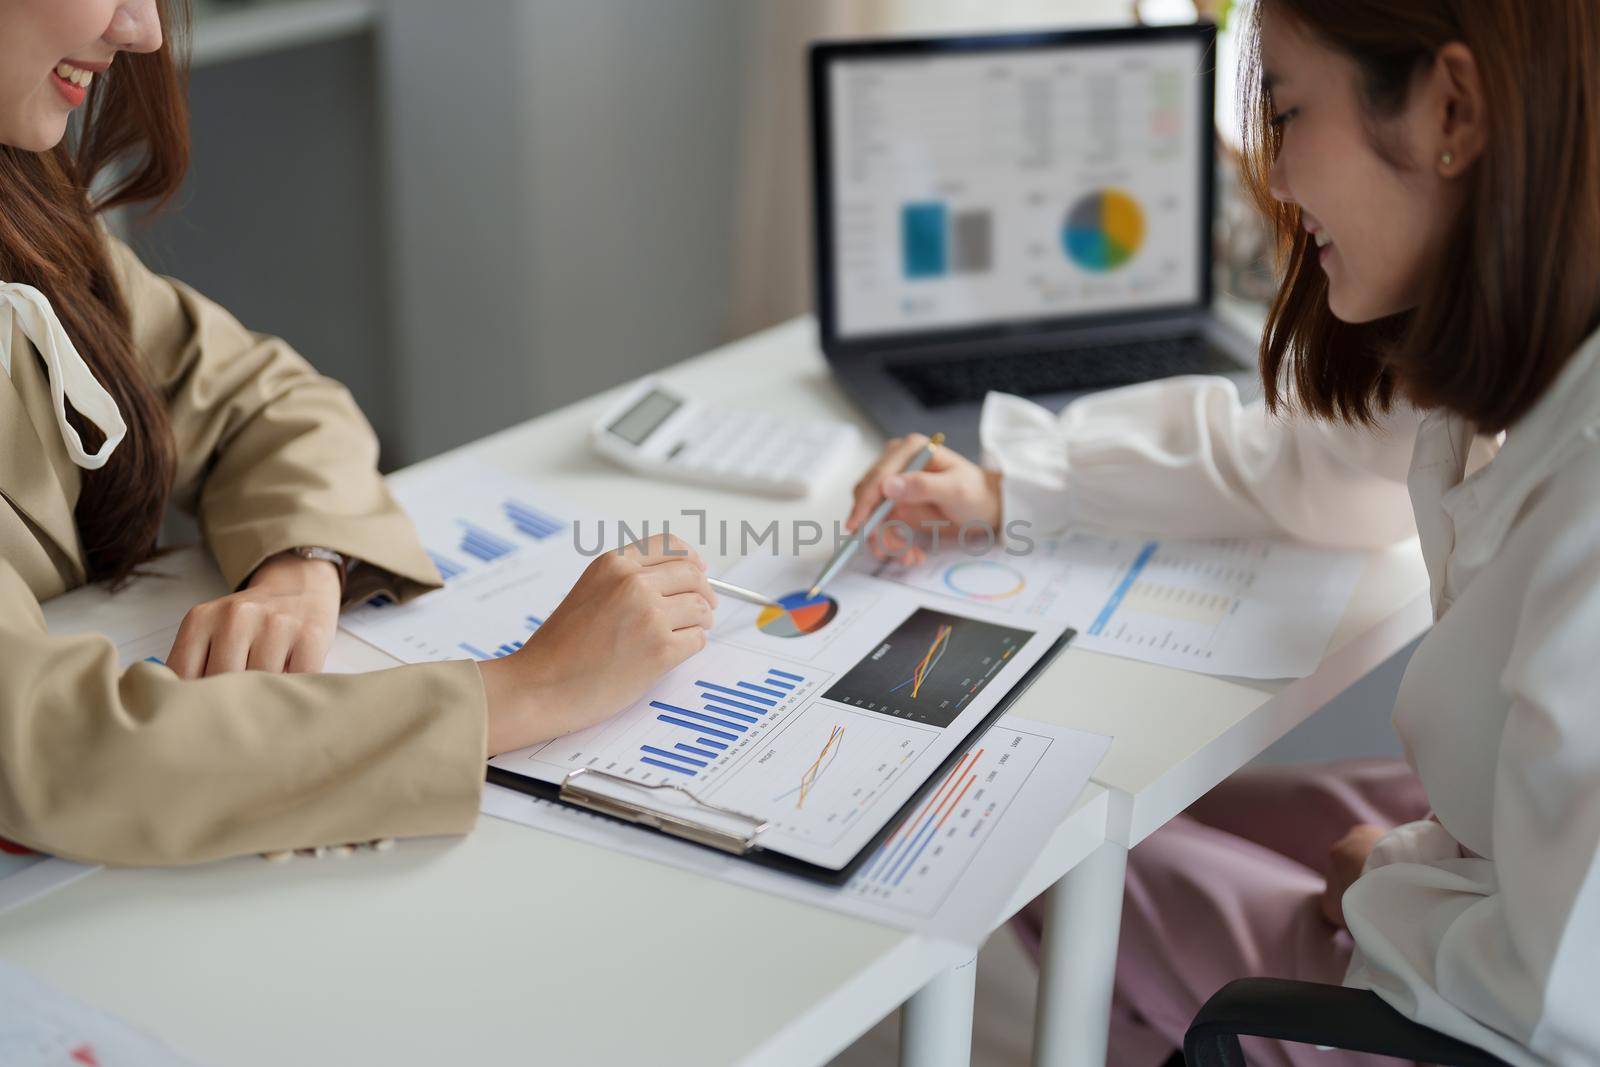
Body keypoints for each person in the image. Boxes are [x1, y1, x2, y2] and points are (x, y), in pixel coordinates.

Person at [847, 0, 1600, 1062]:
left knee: (1030, 849)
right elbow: (1322, 462)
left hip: (1483, 1005)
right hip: (1488, 857)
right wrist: (1016, 485)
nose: (1276, 178)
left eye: (1288, 111)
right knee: (1154, 824)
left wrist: (1387, 879)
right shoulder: (1509, 320)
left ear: (1454, 109)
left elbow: (1564, 988)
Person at [0, 0, 717, 867]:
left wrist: (303, 562)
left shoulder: (28, 219)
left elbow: (265, 396)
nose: (144, 30)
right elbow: (59, 755)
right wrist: (526, 691)